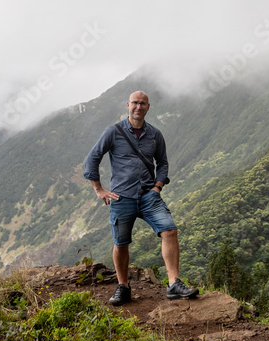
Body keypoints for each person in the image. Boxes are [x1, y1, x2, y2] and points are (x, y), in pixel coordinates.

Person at [83, 90, 199, 306]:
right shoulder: (113, 132)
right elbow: (93, 159)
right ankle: (123, 287)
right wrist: (99, 190)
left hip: (148, 196)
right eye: (135, 103)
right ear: (128, 105)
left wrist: (158, 186)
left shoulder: (155, 134)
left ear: (148, 107)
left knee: (170, 230)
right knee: (121, 243)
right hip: (121, 196)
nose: (138, 107)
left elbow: (162, 162)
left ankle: (173, 283)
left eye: (142, 103)